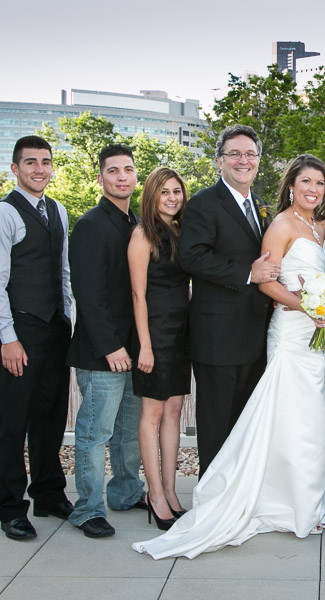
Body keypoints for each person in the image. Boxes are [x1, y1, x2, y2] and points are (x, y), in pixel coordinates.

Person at [132, 155, 325, 559]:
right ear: (291, 185)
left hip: (302, 335)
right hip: (282, 329)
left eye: (320, 184)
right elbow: (261, 277)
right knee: (273, 413)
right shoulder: (276, 222)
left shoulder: (318, 225)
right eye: (306, 182)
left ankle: (313, 493)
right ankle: (226, 495)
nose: (314, 189)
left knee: (312, 412)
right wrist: (309, 307)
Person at [0, 135, 73, 541]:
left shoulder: (59, 210)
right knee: (13, 422)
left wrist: (67, 317)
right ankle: (12, 508)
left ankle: (49, 494)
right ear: (15, 169)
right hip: (18, 332)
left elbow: (64, 272)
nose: (39, 169)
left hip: (54, 330)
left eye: (45, 162)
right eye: (30, 162)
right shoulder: (0, 216)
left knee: (51, 417)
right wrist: (7, 338)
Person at [178, 124, 278, 477]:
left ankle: (238, 502)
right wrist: (248, 273)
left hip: (256, 335)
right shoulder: (204, 203)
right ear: (220, 160)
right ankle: (212, 505)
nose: (243, 160)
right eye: (234, 153)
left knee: (245, 426)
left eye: (250, 154)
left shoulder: (262, 205)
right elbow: (191, 257)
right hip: (217, 338)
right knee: (217, 427)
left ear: (258, 161)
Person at [67, 144, 146, 538]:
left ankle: (127, 492)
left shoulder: (136, 222)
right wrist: (111, 346)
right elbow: (87, 293)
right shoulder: (91, 225)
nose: (121, 176)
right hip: (104, 353)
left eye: (128, 170)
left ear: (136, 177)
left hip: (135, 349)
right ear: (100, 178)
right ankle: (87, 508)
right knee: (95, 432)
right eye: (112, 171)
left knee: (127, 430)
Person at [128, 167, 193, 530]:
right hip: (154, 333)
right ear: (151, 195)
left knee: (174, 412)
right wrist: (145, 347)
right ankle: (154, 495)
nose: (172, 198)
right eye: (164, 192)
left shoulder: (180, 232)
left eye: (177, 192)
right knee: (151, 415)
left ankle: (170, 490)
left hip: (180, 332)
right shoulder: (142, 235)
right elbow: (138, 295)